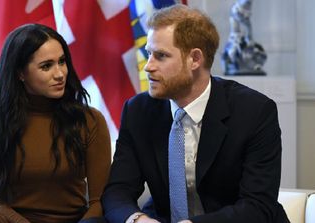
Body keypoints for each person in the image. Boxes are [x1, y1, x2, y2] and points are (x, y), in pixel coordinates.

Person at [101, 4, 289, 223]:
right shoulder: (138, 111)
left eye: (160, 56)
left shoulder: (254, 111)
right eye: (148, 54)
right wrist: (137, 219)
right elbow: (117, 191)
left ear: (195, 59)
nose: (148, 66)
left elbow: (257, 206)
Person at [0, 24, 111, 223]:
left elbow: (99, 202)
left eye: (62, 62)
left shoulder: (89, 120)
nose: (60, 73)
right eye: (46, 66)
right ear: (20, 73)